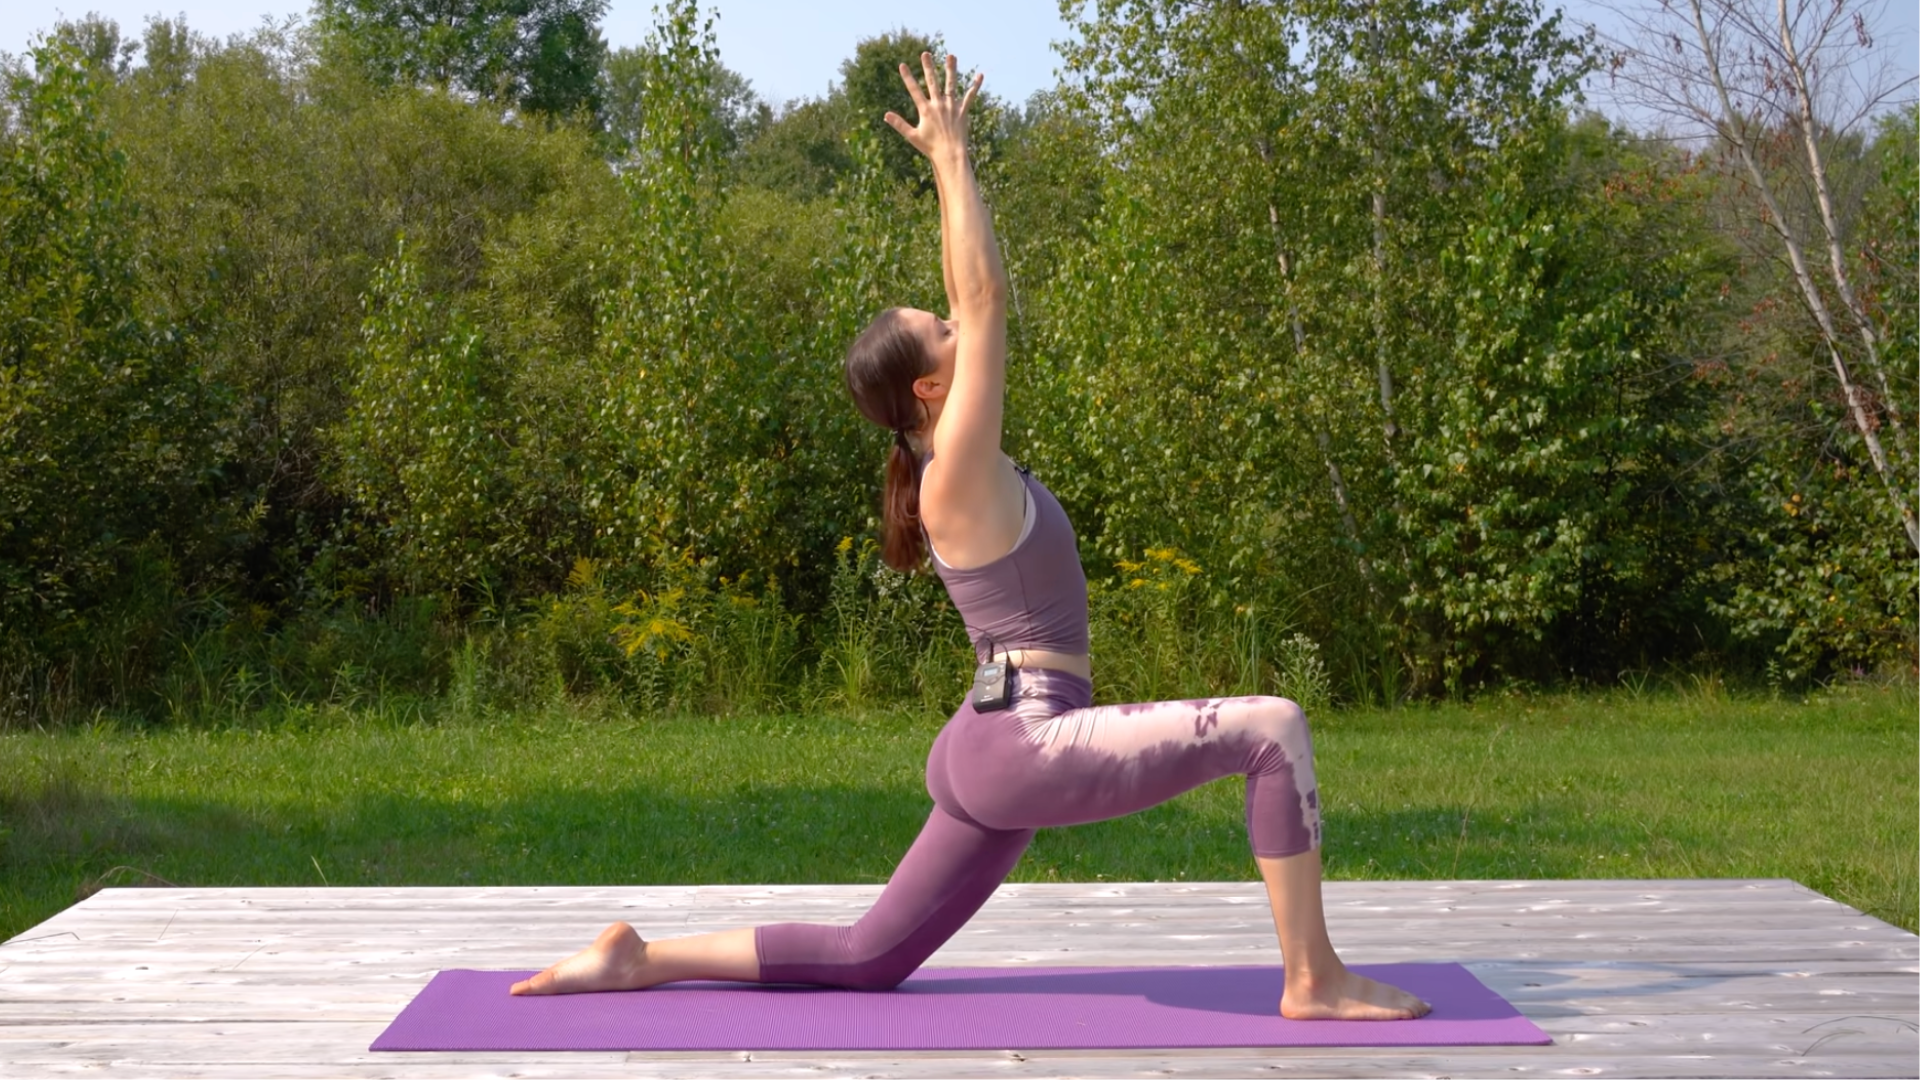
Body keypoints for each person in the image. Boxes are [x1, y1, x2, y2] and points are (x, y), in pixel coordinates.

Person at [510, 53, 1430, 1022]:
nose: (956, 321)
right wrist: (951, 153)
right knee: (1273, 728)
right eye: (938, 334)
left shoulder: (949, 470)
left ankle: (639, 958)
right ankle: (1312, 978)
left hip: (985, 740)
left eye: (946, 318)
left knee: (869, 957)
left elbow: (974, 302)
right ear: (929, 389)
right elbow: (986, 297)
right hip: (1023, 735)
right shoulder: (957, 474)